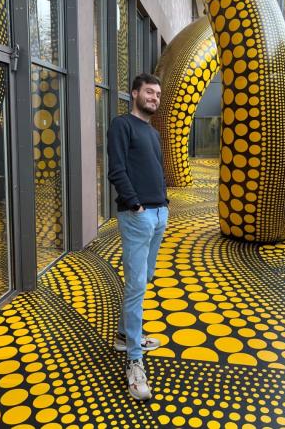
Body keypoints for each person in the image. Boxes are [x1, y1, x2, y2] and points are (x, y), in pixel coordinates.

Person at [107, 73, 169, 401]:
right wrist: (136, 205)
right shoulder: (122, 125)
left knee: (144, 279)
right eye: (149, 92)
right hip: (137, 216)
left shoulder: (153, 133)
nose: (154, 97)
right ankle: (133, 360)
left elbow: (155, 170)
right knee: (136, 287)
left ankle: (124, 335)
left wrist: (163, 205)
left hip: (158, 214)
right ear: (134, 94)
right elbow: (116, 170)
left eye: (157, 93)